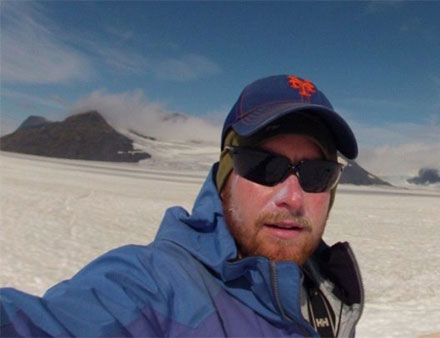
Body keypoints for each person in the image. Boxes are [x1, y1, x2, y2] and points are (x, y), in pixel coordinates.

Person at [0, 75, 364, 337]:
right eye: (264, 166)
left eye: (317, 174)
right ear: (225, 178)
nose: (292, 197)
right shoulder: (157, 286)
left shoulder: (325, 286)